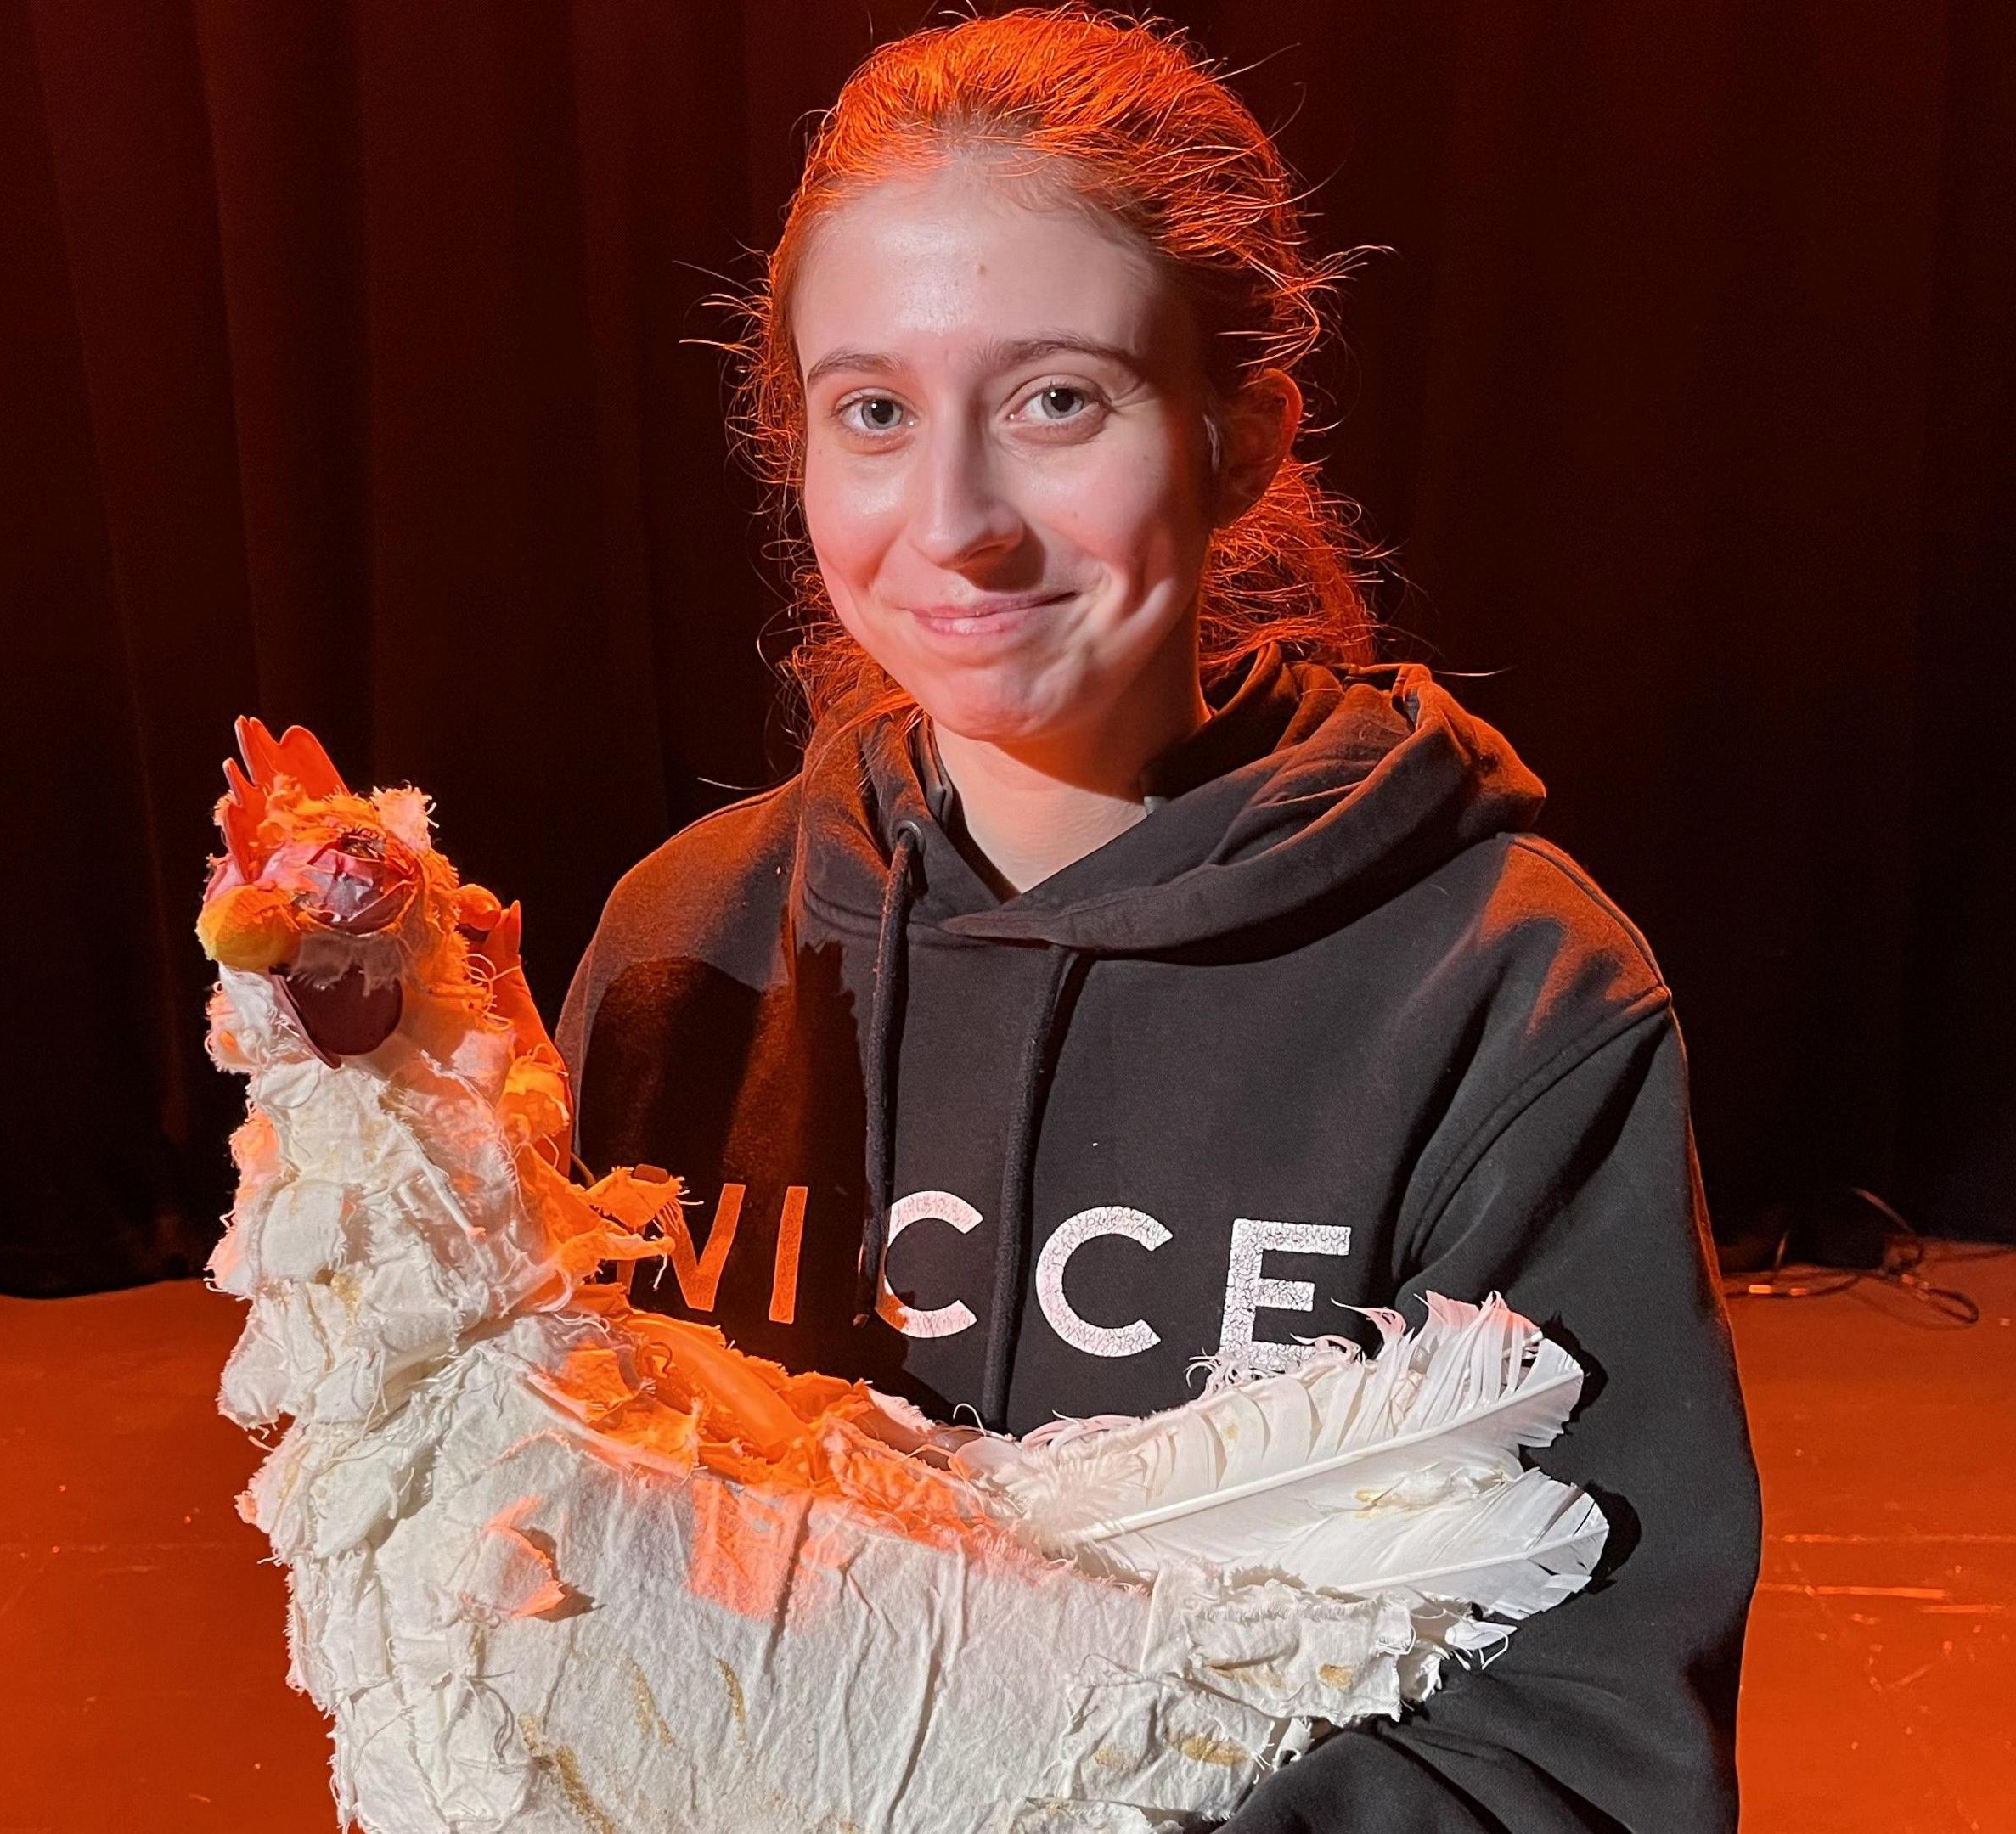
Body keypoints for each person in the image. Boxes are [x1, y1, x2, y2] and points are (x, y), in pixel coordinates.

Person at [560, 9, 1760, 1830]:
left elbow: (1577, 1752)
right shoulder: (691, 945)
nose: (953, 523)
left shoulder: (1503, 995)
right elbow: (548, 1563)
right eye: (872, 411)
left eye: (1058, 401)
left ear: (1240, 436)